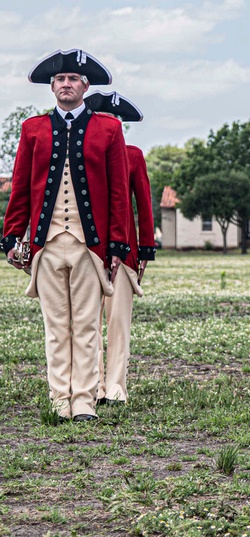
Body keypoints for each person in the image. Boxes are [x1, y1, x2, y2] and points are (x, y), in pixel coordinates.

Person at [3, 49, 130, 422]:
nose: (66, 84)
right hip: (46, 244)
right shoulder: (33, 129)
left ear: (85, 86)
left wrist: (118, 244)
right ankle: (60, 398)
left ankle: (84, 402)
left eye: (73, 79)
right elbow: (21, 188)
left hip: (89, 245)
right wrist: (12, 236)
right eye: (60, 80)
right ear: (52, 87)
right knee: (56, 327)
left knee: (88, 326)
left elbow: (119, 192)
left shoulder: (109, 129)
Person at [83, 91, 155, 406]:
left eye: (117, 121)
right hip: (85, 249)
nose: (113, 125)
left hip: (124, 253)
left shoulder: (134, 155)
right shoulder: (79, 154)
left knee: (118, 323)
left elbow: (145, 206)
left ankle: (115, 388)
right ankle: (93, 385)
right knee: (86, 322)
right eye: (106, 120)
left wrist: (147, 250)